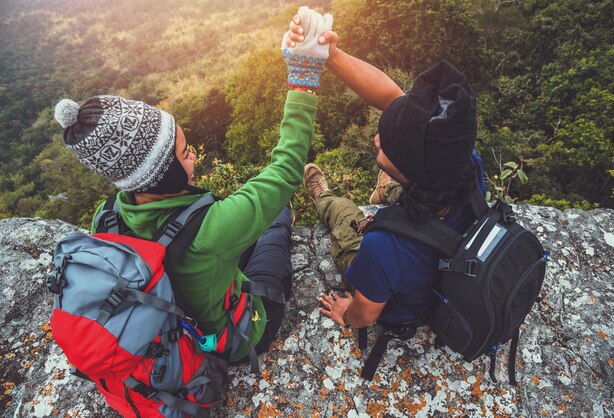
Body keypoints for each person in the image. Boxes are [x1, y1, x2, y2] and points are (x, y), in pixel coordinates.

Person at [52, 6, 332, 367]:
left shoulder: (105, 218)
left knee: (243, 236)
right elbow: (287, 169)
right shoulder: (217, 227)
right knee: (276, 219)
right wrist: (303, 78)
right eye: (185, 153)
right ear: (165, 174)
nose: (194, 158)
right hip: (232, 338)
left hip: (168, 329)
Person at [286, 14, 486, 330]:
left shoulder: (384, 247)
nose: (377, 139)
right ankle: (386, 191)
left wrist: (346, 312)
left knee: (343, 212)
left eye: (386, 145)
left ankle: (322, 195)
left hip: (403, 298)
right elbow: (392, 98)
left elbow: (365, 315)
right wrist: (331, 55)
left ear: (410, 171)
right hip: (438, 244)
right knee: (389, 192)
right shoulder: (464, 162)